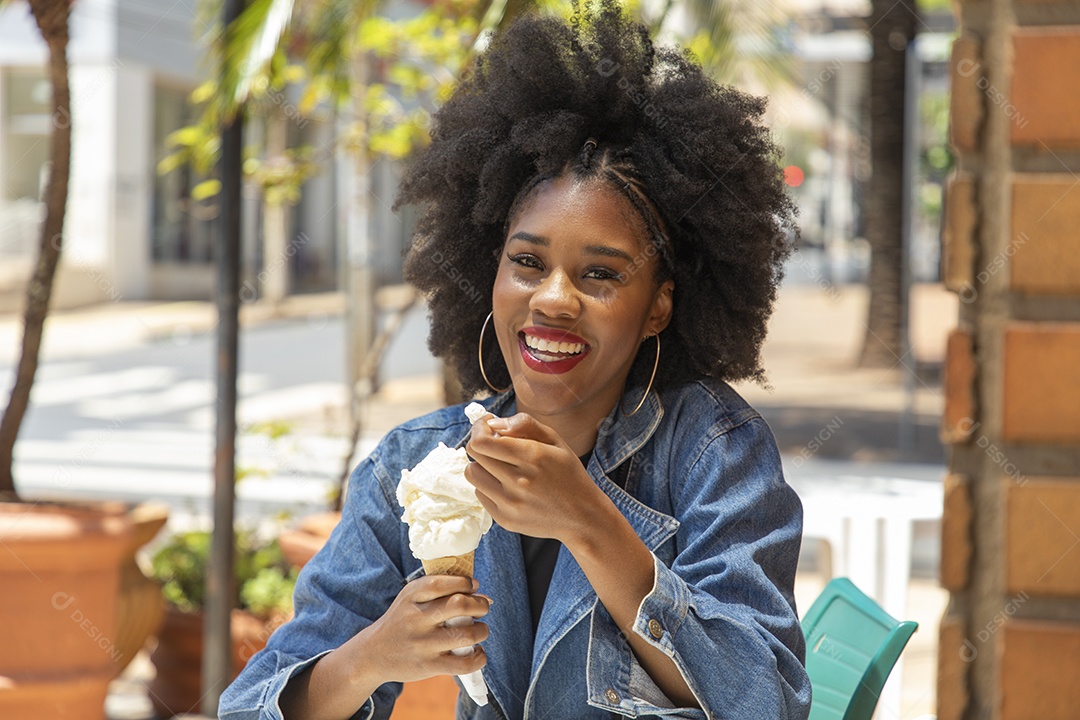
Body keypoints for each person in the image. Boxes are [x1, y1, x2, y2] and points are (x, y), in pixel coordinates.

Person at [220, 3, 809, 719]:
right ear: (487, 270)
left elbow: (766, 700)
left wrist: (589, 521)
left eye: (601, 274)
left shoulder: (712, 455)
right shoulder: (416, 466)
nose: (553, 300)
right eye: (527, 262)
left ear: (659, 305)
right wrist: (373, 654)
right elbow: (248, 706)